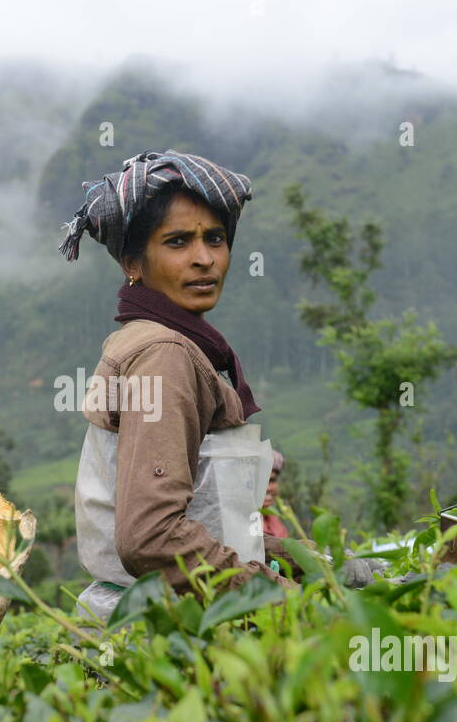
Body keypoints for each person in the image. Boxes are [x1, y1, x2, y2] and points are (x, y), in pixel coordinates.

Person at [59, 149, 297, 622]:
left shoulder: (155, 342)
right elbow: (152, 537)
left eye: (215, 238)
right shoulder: (164, 355)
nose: (204, 259)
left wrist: (288, 558)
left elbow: (199, 514)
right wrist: (273, 594)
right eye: (178, 242)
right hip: (169, 633)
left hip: (153, 618)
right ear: (133, 262)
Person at [263, 449, 291, 539]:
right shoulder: (242, 524)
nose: (268, 488)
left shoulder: (273, 518)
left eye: (272, 480)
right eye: (261, 481)